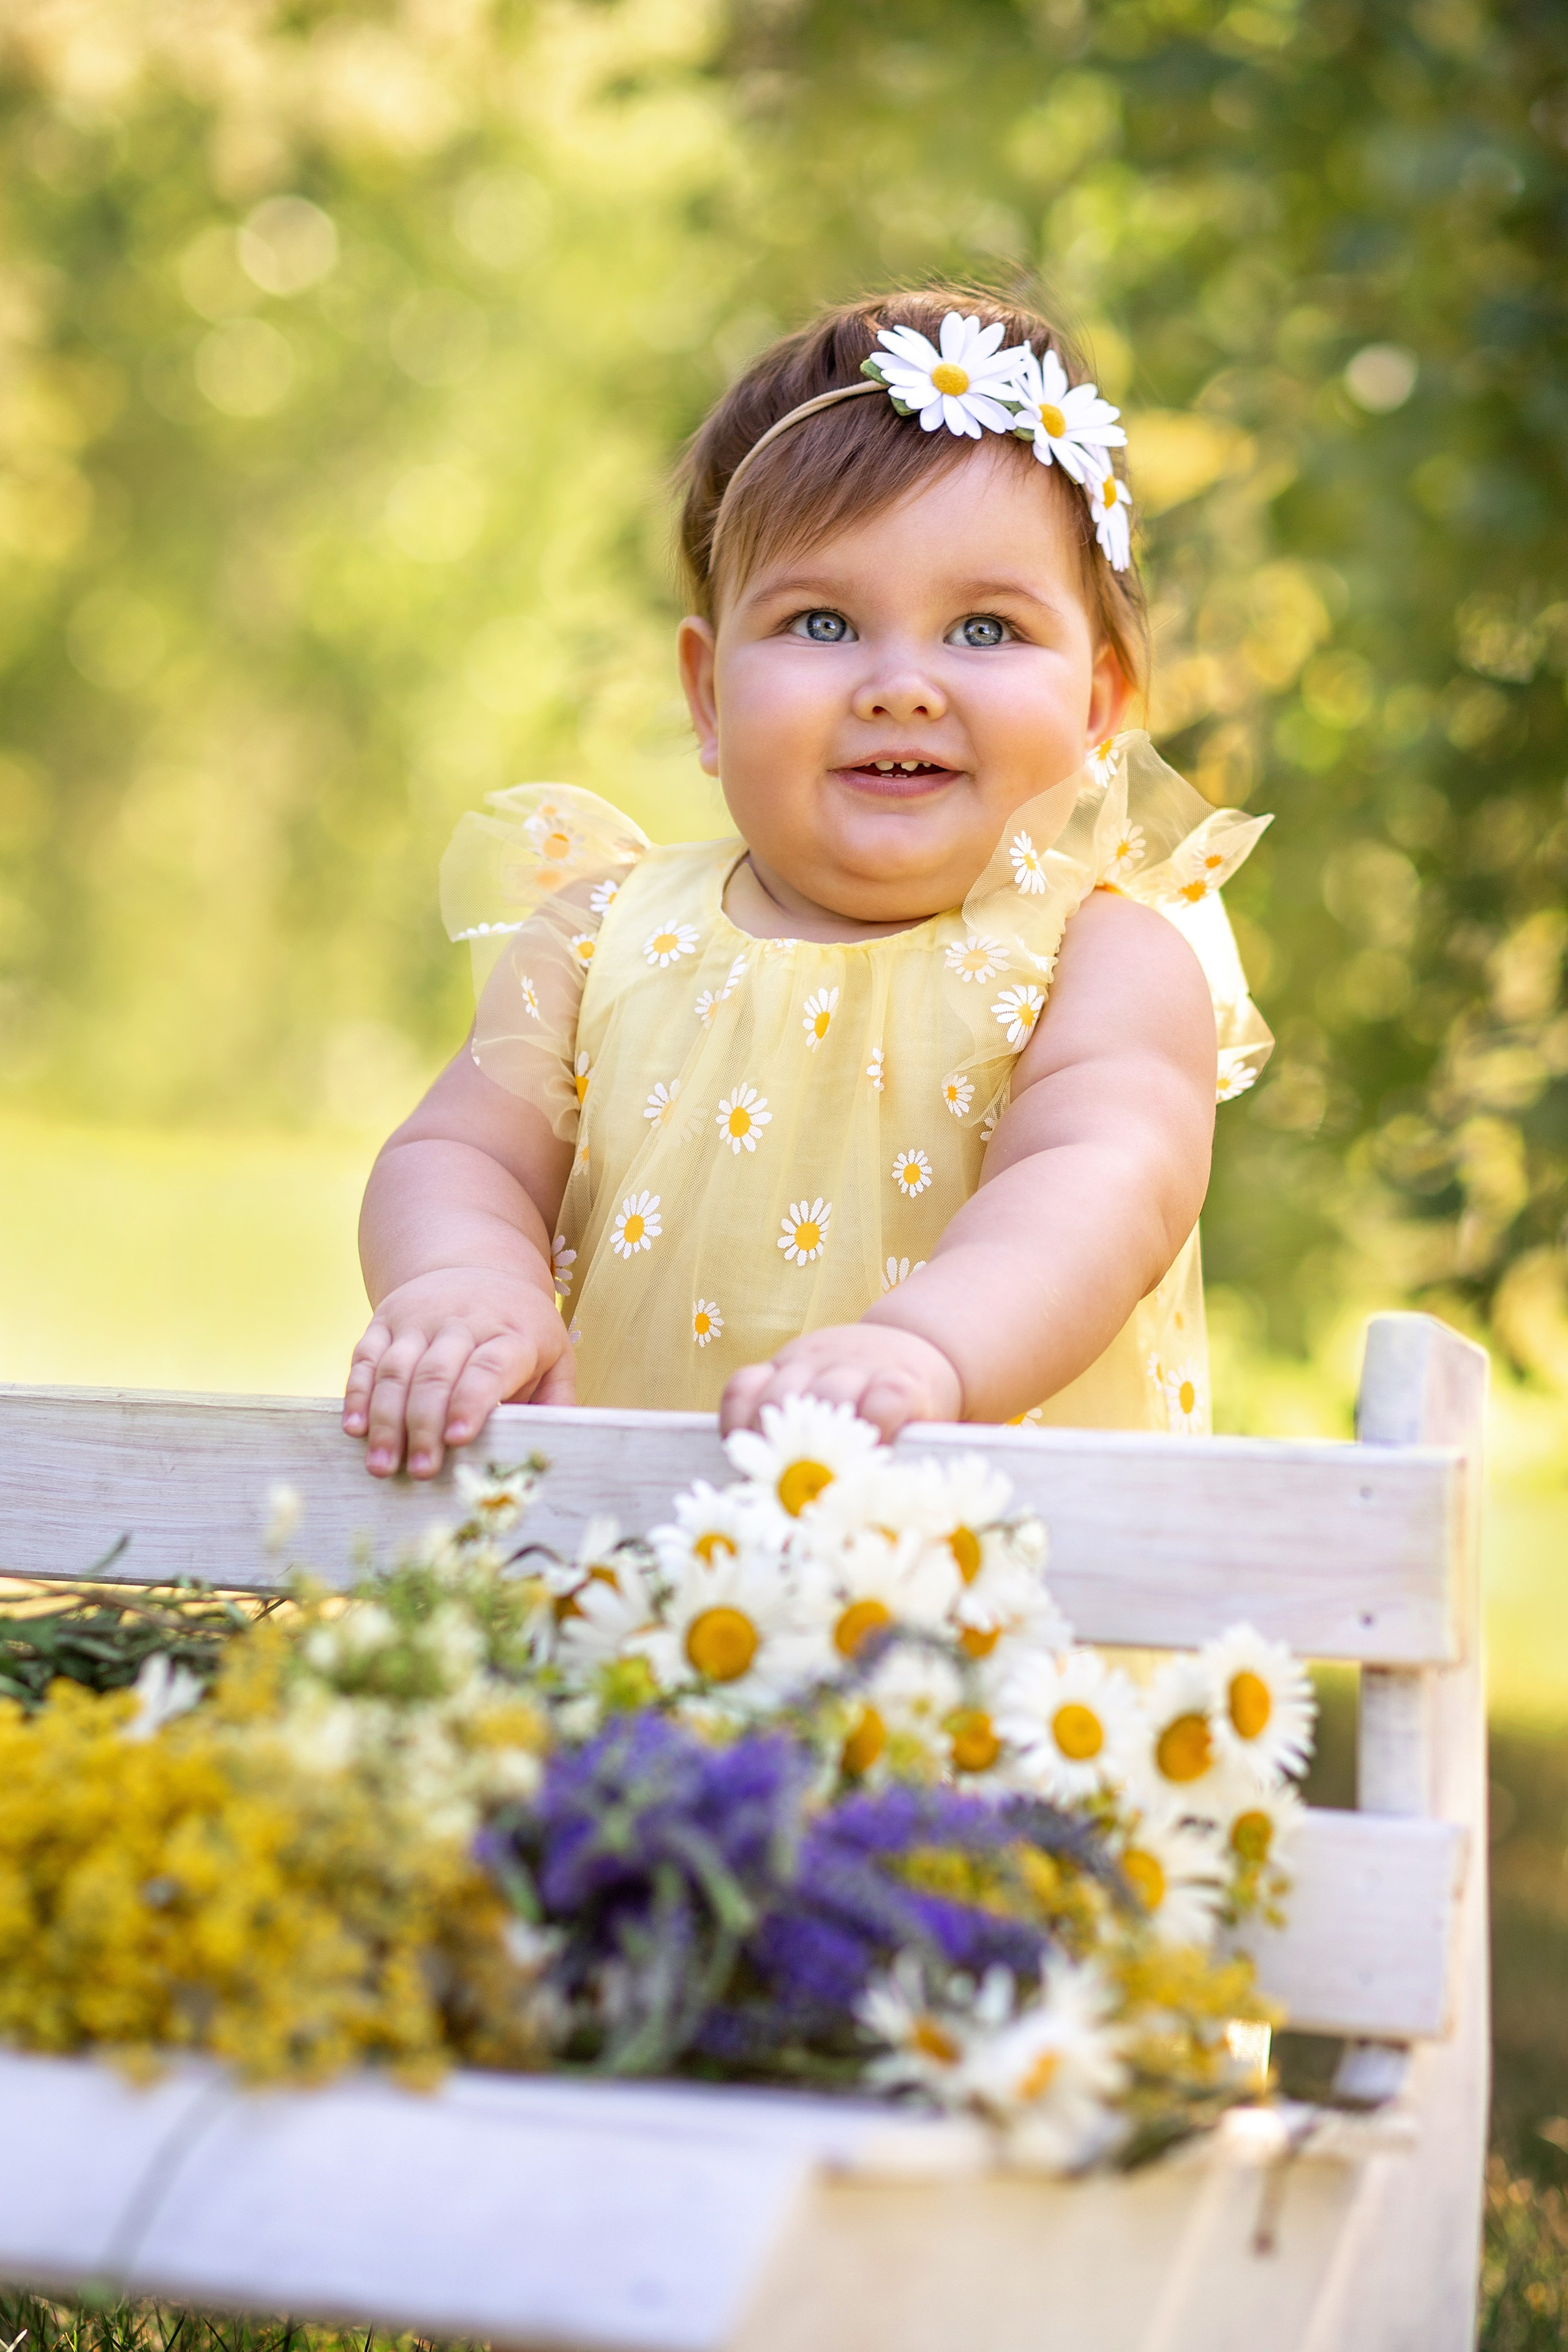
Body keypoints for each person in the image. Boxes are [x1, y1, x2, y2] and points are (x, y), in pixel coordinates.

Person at [344, 288, 1272, 1480]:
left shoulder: (1101, 961)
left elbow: (1104, 1181)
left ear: (1094, 709)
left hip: (978, 1598)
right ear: (707, 697)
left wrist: (924, 1349)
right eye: (822, 622)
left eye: (984, 631)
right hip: (614, 1583)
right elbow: (455, 1154)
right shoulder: (598, 937)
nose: (900, 684)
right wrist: (466, 1279)